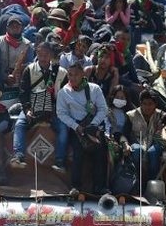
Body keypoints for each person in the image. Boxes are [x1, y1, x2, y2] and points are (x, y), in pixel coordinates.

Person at [11, 42, 69, 168]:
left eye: (46, 54)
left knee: (63, 128)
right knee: (20, 124)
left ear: (51, 55)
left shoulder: (62, 72)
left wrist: (57, 109)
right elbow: (23, 92)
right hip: (33, 106)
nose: (42, 58)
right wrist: (27, 109)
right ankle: (18, 156)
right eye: (40, 54)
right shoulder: (29, 69)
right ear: (36, 53)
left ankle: (59, 160)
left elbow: (65, 95)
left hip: (54, 109)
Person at [56, 62, 109, 193]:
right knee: (77, 153)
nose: (72, 78)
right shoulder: (64, 92)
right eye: (70, 75)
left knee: (100, 154)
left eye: (76, 74)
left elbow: (103, 109)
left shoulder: (94, 89)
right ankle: (75, 187)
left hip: (94, 126)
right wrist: (76, 126)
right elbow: (61, 113)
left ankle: (100, 187)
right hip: (77, 127)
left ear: (83, 74)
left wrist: (94, 124)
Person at [124, 89, 166, 183]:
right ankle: (135, 181)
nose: (147, 107)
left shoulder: (160, 115)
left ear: (155, 104)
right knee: (137, 150)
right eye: (144, 104)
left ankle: (152, 182)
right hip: (136, 143)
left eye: (150, 104)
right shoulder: (131, 115)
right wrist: (126, 144)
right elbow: (124, 133)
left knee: (153, 152)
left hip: (154, 142)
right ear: (140, 103)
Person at [0, 15, 35, 92]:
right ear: (7, 28)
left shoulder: (27, 44)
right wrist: (5, 77)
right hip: (2, 82)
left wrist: (22, 67)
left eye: (17, 25)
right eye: (12, 25)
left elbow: (31, 63)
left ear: (22, 28)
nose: (14, 27)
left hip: (21, 81)